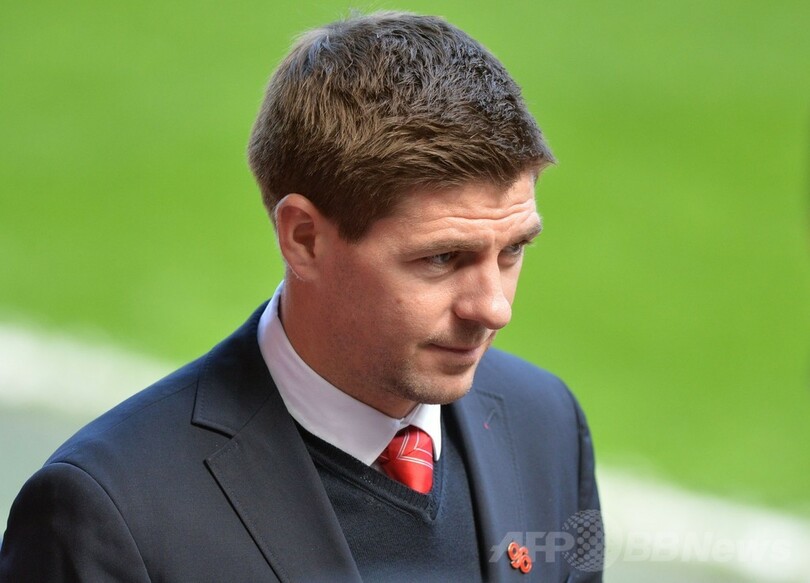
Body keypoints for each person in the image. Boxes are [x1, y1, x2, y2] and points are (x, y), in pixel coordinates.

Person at [0, 11, 602, 582]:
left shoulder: (547, 423)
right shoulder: (109, 511)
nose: (494, 308)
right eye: (442, 258)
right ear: (305, 239)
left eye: (512, 250)